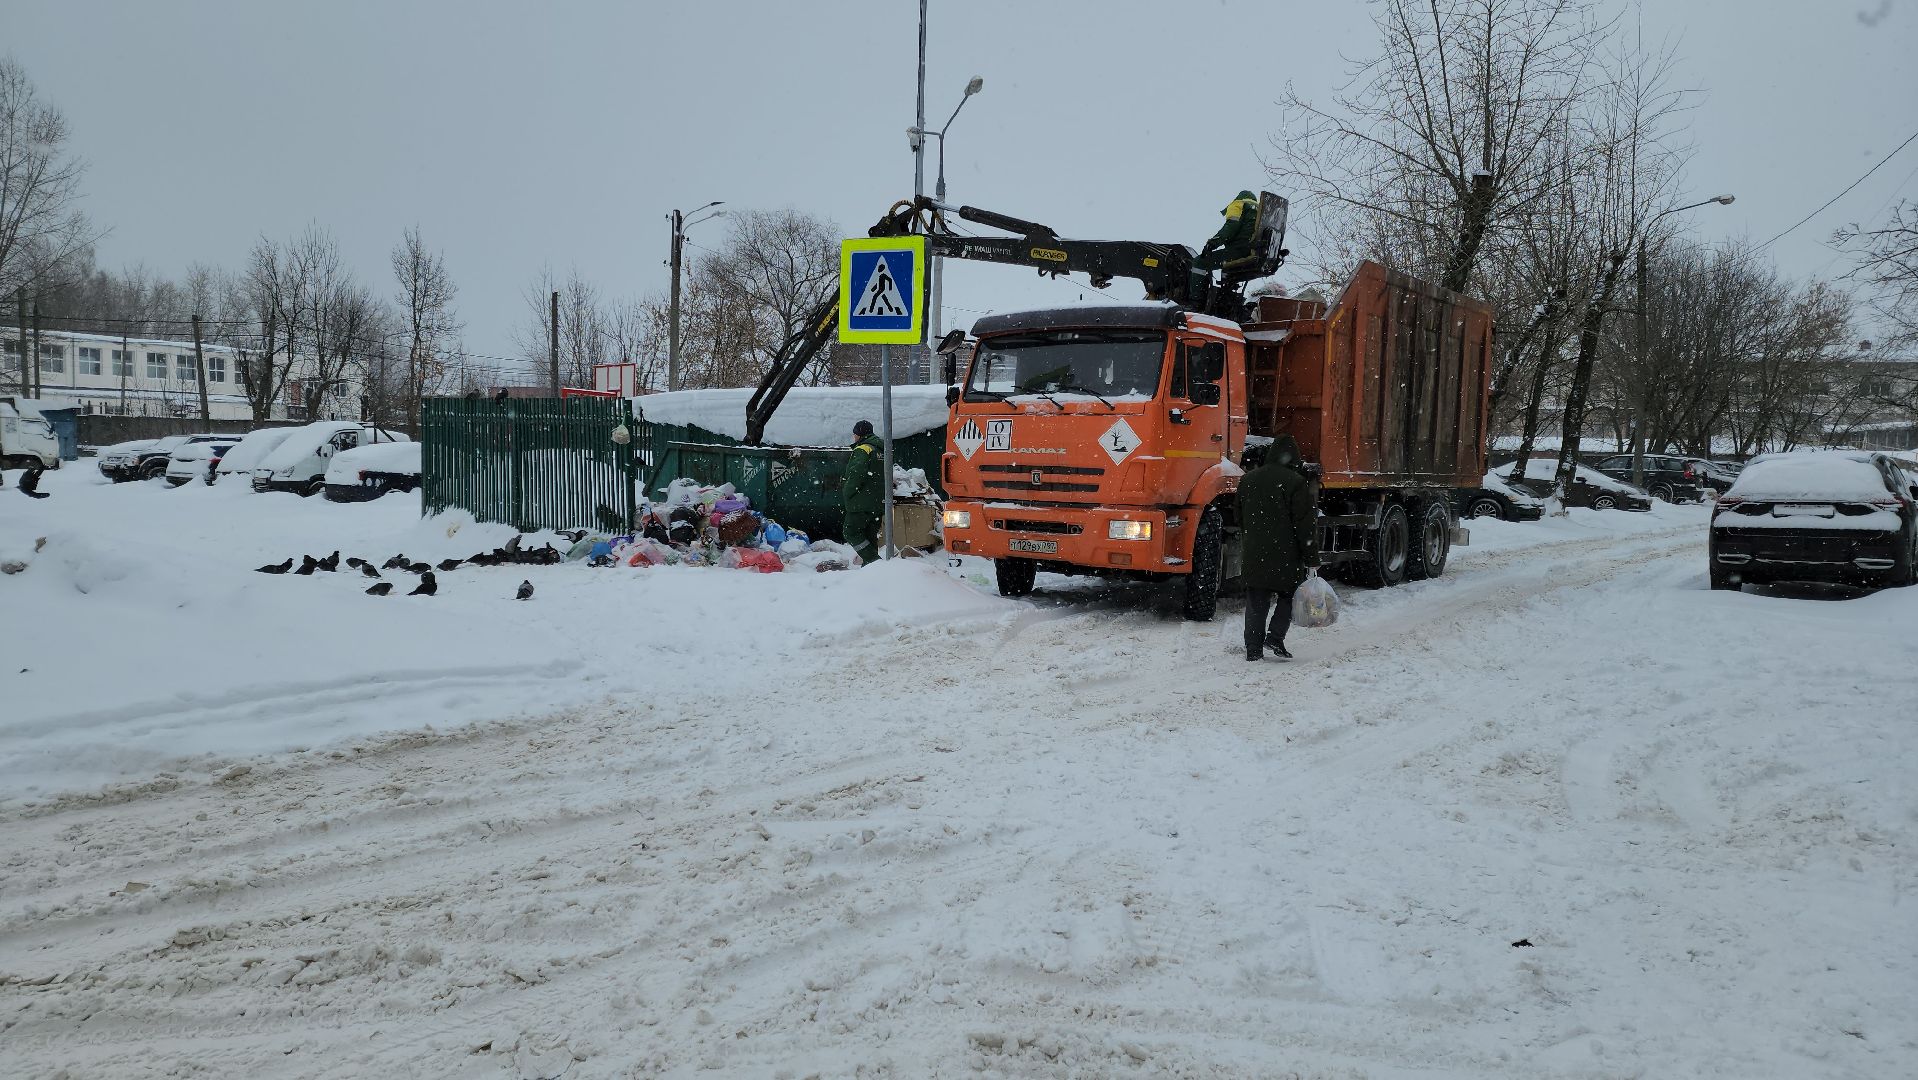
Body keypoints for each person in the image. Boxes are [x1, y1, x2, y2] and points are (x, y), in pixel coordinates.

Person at [1238, 434, 1317, 661]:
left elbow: (1239, 516)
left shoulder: (1248, 480)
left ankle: (1253, 649)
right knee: (1289, 596)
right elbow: (1305, 525)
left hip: (1254, 552)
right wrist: (1311, 557)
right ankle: (1275, 636)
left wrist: (1253, 537)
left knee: (1256, 601)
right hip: (1286, 554)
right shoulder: (1296, 482)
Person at [841, 419, 885, 564]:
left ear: (859, 434)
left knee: (850, 531)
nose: (854, 437)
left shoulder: (863, 449)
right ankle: (870, 571)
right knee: (869, 536)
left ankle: (874, 562)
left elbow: (856, 475)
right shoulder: (880, 450)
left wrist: (847, 493)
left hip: (861, 503)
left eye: (855, 434)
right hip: (877, 503)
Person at [1196, 190, 1261, 273]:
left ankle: (1196, 286)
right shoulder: (1260, 210)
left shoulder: (1239, 204)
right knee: (1225, 270)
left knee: (1198, 262)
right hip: (1255, 250)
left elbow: (1231, 227)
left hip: (1240, 251)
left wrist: (1213, 243)